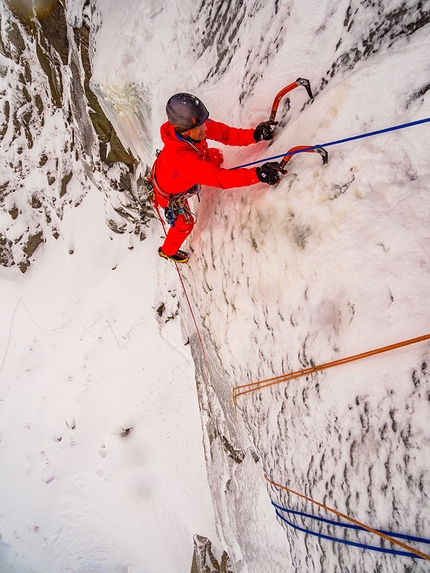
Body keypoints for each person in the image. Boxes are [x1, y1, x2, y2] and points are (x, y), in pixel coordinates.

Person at [151, 92, 282, 263]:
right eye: (201, 128)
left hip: (170, 170)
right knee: (185, 224)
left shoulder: (192, 125)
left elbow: (224, 133)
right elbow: (221, 179)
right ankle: (167, 251)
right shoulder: (184, 160)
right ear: (183, 130)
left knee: (216, 156)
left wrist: (254, 135)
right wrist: (258, 175)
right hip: (167, 193)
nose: (206, 129)